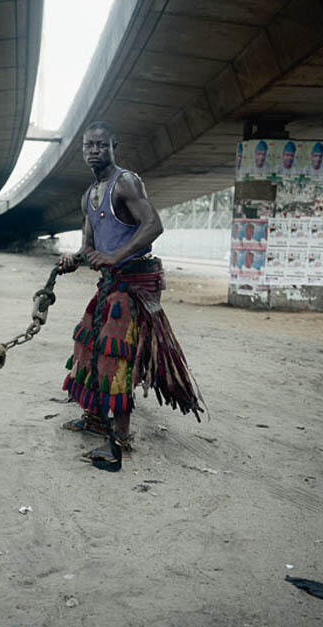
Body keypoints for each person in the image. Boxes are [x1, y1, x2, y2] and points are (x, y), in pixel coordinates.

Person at [57, 121, 203, 464]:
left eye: (101, 145)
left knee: (114, 356)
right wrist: (72, 261)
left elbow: (154, 225)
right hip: (110, 284)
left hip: (131, 288)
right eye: (88, 145)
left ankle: (120, 439)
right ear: (82, 150)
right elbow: (89, 248)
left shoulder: (126, 182)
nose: (94, 150)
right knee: (87, 343)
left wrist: (114, 257)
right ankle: (94, 418)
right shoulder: (89, 196)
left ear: (113, 147)